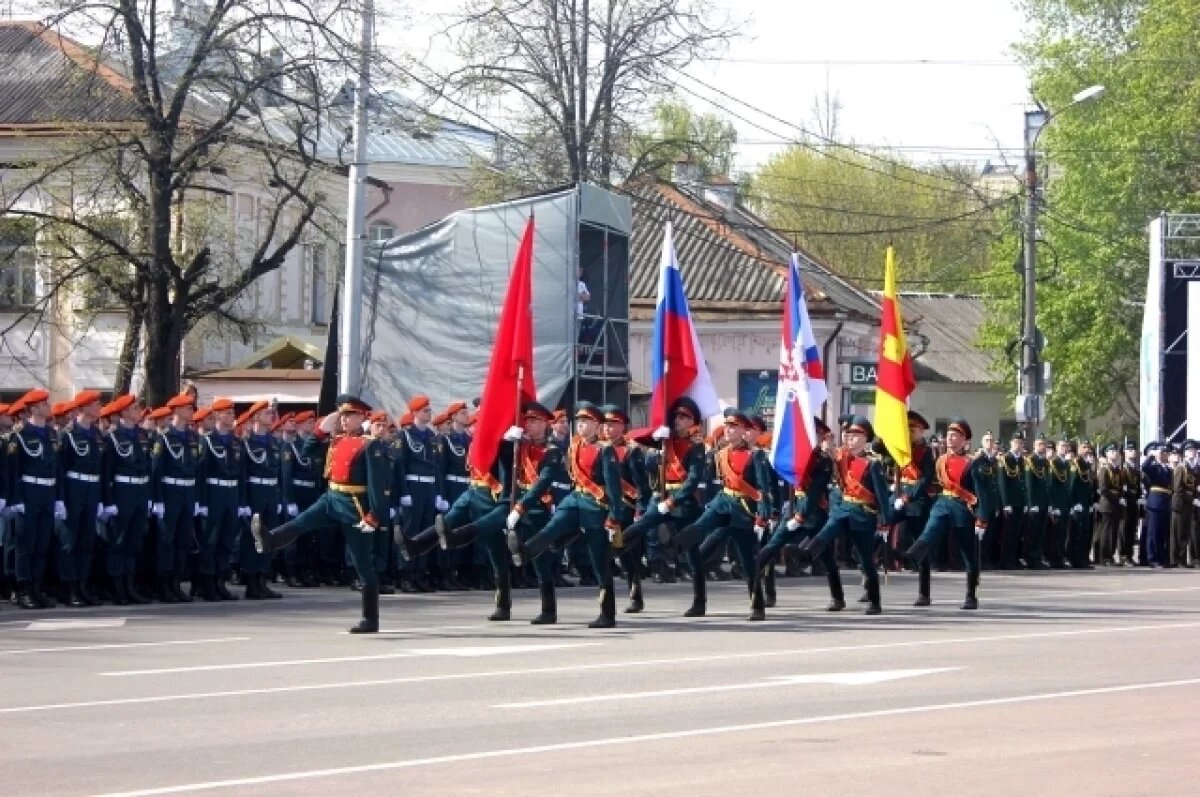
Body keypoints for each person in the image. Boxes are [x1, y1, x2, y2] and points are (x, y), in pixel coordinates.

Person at [252, 395, 390, 633]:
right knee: (301, 522)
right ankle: (269, 540)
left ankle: (371, 618)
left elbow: (377, 484)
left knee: (363, 564)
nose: (344, 420)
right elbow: (307, 452)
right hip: (331, 498)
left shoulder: (370, 445)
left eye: (349, 415)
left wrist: (374, 515)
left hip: (355, 506)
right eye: (343, 415)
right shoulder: (336, 440)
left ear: (361, 418)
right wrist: (320, 430)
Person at [672, 408, 771, 621]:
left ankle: (757, 605)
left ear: (744, 430)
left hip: (743, 510)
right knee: (700, 527)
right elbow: (705, 477)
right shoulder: (720, 454)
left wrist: (763, 517)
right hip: (722, 502)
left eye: (734, 427)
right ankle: (679, 544)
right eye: (727, 426)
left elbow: (764, 490)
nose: (728, 430)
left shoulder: (756, 456)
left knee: (748, 561)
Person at [619, 398, 708, 616]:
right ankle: (614, 547)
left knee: (692, 550)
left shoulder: (696, 447)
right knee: (637, 530)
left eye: (684, 417)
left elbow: (693, 480)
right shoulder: (663, 440)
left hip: (683, 502)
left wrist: (673, 501)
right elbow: (644, 458)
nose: (678, 420)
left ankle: (699, 601)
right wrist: (656, 445)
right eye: (676, 416)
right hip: (660, 496)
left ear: (693, 422)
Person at [799, 415, 891, 615]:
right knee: (826, 533)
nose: (850, 438)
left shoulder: (872, 464)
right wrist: (822, 447)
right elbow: (822, 457)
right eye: (848, 434)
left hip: (863, 514)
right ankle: (805, 555)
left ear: (866, 438)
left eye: (856, 435)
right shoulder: (840, 457)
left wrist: (885, 520)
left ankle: (875, 601)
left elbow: (882, 495)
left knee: (865, 559)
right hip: (843, 509)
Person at [905, 417, 992, 609]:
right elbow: (934, 482)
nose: (950, 438)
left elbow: (981, 492)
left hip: (962, 507)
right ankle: (910, 556)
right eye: (949, 435)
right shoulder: (941, 460)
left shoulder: (973, 462)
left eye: (955, 435)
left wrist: (982, 519)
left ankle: (971, 595)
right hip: (943, 502)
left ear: (965, 440)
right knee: (930, 530)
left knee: (968, 554)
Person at [7, 389, 60, 609]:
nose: (49, 407)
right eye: (44, 404)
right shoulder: (18, 435)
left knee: (42, 543)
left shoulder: (51, 434)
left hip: (47, 493)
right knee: (25, 544)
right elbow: (12, 471)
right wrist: (15, 499)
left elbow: (57, 467)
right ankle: (23, 590)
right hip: (28, 493)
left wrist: (59, 499)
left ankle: (37, 588)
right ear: (34, 408)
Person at [58, 391, 105, 606]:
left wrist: (103, 498)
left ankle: (82, 586)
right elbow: (59, 468)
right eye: (95, 404)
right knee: (70, 540)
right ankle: (68, 588)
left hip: (92, 487)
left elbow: (102, 468)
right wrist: (60, 498)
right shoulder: (67, 433)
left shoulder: (96, 434)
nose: (99, 407)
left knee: (87, 539)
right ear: (84, 407)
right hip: (73, 487)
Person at [194, 398, 243, 601]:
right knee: (210, 541)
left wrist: (240, 501)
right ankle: (206, 583)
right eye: (227, 413)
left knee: (227, 540)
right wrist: (201, 502)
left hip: (231, 494)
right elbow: (201, 474)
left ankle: (220, 582)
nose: (232, 417)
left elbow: (240, 474)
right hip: (213, 493)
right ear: (217, 416)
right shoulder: (207, 441)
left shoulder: (235, 442)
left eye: (232, 413)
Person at [1024, 434, 1051, 569]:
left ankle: (1038, 558)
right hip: (1034, 503)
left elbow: (1047, 483)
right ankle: (1031, 559)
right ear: (1034, 446)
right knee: (1032, 533)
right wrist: (1031, 503)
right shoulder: (1030, 460)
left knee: (1041, 532)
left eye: (1044, 444)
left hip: (1044, 502)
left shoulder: (1045, 462)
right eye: (1040, 444)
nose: (1043, 447)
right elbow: (1029, 484)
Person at [1095, 443, 1125, 567]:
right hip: (1107, 504)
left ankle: (1110, 555)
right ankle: (1104, 556)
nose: (1114, 453)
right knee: (1106, 531)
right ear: (1106, 454)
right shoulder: (1104, 469)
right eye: (1111, 451)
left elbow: (1121, 486)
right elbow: (1103, 489)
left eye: (1115, 451)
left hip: (1116, 504)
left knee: (1114, 531)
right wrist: (1116, 498)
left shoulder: (1117, 469)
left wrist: (1121, 497)